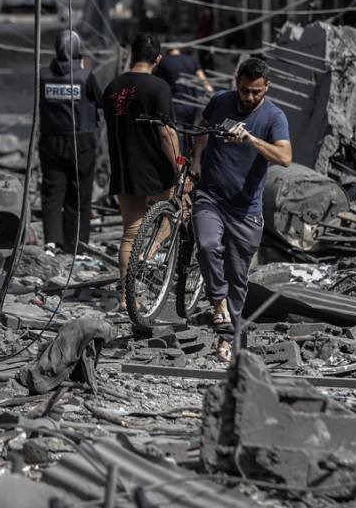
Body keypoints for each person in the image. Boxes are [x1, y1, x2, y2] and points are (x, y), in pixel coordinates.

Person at [191, 57, 292, 362]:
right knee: (208, 245)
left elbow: (285, 157)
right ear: (236, 83)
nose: (249, 98)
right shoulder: (220, 101)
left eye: (256, 93)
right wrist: (196, 160)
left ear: (267, 87)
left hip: (246, 209)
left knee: (238, 278)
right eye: (245, 90)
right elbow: (204, 128)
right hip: (211, 196)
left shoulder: (274, 117)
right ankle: (217, 302)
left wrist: (249, 138)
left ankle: (226, 339)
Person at [103, 34, 179, 311]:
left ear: (132, 56)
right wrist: (178, 163)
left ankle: (124, 299)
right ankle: (152, 251)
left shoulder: (111, 88)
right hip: (156, 170)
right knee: (180, 206)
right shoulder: (159, 87)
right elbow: (166, 132)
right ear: (158, 59)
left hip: (125, 170)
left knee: (129, 234)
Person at [39, 30, 102, 257]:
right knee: (80, 194)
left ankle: (51, 242)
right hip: (81, 141)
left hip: (50, 140)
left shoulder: (43, 75)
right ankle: (77, 244)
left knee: (52, 193)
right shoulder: (86, 76)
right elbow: (100, 101)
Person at [154, 44, 215, 128]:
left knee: (177, 134)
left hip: (175, 105)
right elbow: (204, 81)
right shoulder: (191, 60)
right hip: (192, 105)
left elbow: (157, 83)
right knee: (189, 134)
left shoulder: (164, 61)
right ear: (179, 47)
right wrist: (211, 94)